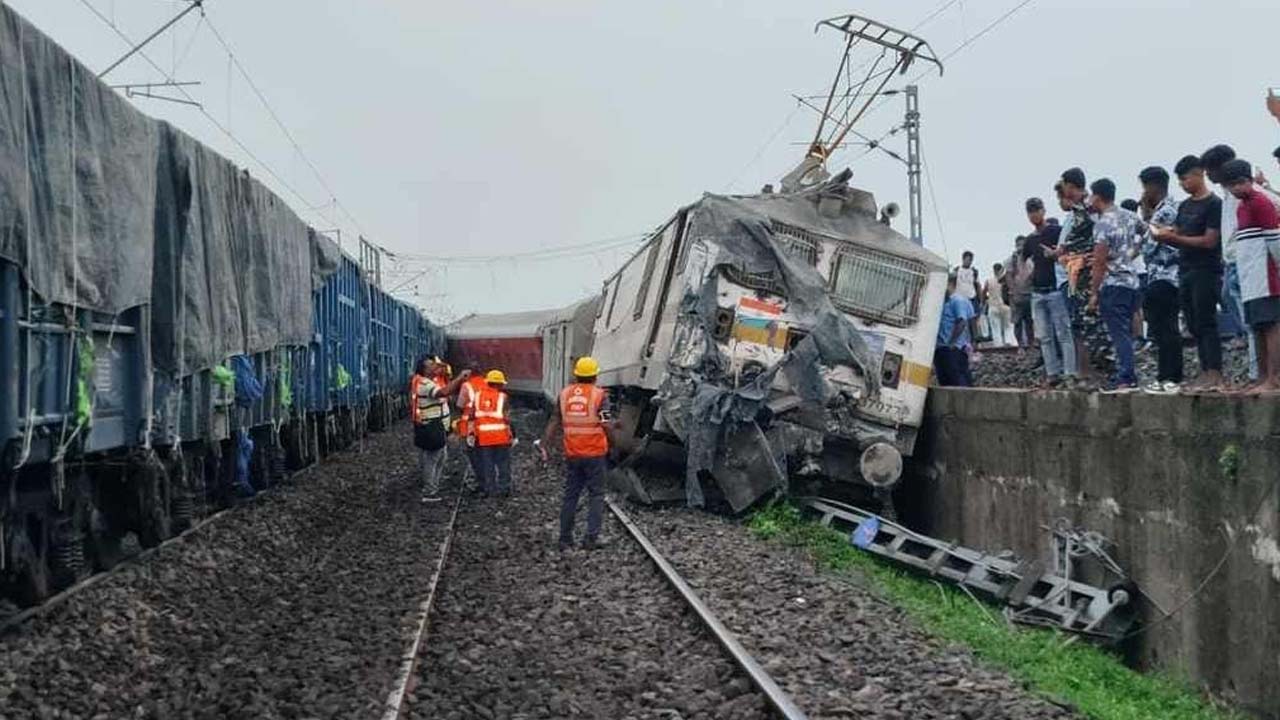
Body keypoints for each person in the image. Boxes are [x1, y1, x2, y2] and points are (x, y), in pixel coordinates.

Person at [1151, 156, 1225, 391]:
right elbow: (1181, 231)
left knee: (1206, 321)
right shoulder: (1184, 206)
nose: (1183, 184)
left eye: (1185, 179)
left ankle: (1214, 373)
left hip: (1206, 269)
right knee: (1192, 324)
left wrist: (1174, 238)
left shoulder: (1214, 204)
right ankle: (1204, 372)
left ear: (1199, 174)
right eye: (1179, 181)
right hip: (1185, 270)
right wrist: (1166, 234)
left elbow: (1209, 241)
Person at [540, 356, 612, 551]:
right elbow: (606, 423)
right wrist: (613, 442)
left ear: (576, 375)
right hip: (595, 453)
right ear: (595, 375)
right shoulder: (600, 396)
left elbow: (554, 420)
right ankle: (591, 539)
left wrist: (545, 444)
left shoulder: (564, 394)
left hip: (573, 453)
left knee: (571, 496)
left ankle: (565, 539)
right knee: (596, 495)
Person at [1221, 159, 1280, 394]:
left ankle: (1274, 377)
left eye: (1239, 184)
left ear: (1247, 181)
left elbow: (1275, 241)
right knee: (1257, 326)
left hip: (1266, 276)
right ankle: (1262, 376)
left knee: (1271, 326)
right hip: (1249, 277)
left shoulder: (1261, 202)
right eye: (1231, 186)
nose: (1235, 189)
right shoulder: (1242, 206)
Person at [1086, 178, 1143, 391]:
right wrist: (1130, 253)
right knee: (1127, 331)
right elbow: (1146, 232)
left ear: (1097, 197)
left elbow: (1099, 261)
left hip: (1113, 284)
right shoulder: (1128, 216)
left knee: (1118, 333)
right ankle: (1127, 373)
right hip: (1132, 281)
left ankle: (1126, 376)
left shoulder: (1102, 223)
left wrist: (1093, 293)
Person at [1135, 165, 1183, 393]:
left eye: (1145, 187)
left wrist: (1146, 217)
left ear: (1153, 186)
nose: (1144, 193)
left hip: (1166, 276)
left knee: (1166, 329)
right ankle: (1167, 376)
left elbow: (1149, 247)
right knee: (1162, 328)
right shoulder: (1163, 211)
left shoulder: (1165, 212)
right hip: (1162, 276)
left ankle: (1171, 376)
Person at [1058, 168, 1108, 379]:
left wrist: (1094, 257)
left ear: (1071, 186)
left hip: (1089, 275)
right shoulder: (1078, 211)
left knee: (1091, 324)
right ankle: (1085, 372)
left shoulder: (1090, 209)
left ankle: (1094, 373)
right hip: (1076, 276)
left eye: (1065, 186)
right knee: (1079, 323)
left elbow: (1103, 238)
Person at [1021, 197, 1074, 385]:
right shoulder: (1030, 240)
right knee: (1044, 336)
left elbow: (1068, 250)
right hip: (1038, 292)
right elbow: (1024, 260)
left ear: (1043, 210)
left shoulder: (1056, 232)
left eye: (1036, 209)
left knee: (1063, 333)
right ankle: (1052, 373)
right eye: (1030, 211)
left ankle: (1069, 372)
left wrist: (1055, 256)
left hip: (1056, 289)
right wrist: (1025, 274)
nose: (1034, 214)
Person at [410, 358, 471, 503]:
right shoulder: (424, 384)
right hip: (431, 425)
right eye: (431, 365)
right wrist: (460, 378)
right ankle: (429, 491)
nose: (435, 367)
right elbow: (443, 392)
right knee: (433, 458)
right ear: (424, 370)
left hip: (433, 425)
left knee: (440, 456)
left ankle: (433, 486)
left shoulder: (426, 381)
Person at [470, 370, 514, 496]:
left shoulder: (477, 396)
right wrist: (511, 433)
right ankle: (504, 488)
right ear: (500, 384)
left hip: (483, 438)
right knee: (503, 463)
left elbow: (472, 415)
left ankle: (490, 489)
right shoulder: (503, 397)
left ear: (488, 382)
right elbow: (507, 418)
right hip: (501, 437)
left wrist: (472, 432)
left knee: (487, 464)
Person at [934, 274, 975, 386]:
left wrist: (951, 342)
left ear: (950, 283)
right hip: (943, 347)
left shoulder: (957, 301)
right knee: (946, 380)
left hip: (953, 349)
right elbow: (972, 321)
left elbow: (962, 322)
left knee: (956, 380)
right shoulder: (945, 302)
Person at [454, 367, 489, 492]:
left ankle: (482, 483)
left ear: (469, 374)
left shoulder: (466, 386)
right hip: (487, 425)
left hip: (471, 427)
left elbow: (460, 405)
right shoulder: (488, 383)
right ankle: (490, 480)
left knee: (475, 455)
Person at [1007, 236, 1035, 347]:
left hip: (1030, 293)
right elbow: (1008, 277)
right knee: (1017, 322)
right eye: (1019, 244)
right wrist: (1014, 293)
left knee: (1029, 321)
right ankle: (1020, 346)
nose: (1021, 247)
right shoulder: (1011, 260)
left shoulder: (1031, 258)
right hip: (1017, 295)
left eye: (1024, 244)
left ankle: (1031, 344)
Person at [954, 251, 982, 340]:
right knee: (960, 320)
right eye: (968, 259)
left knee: (972, 321)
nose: (969, 262)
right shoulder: (957, 270)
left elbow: (978, 286)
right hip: (960, 299)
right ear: (963, 259)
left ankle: (974, 341)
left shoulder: (974, 272)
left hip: (971, 298)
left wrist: (981, 300)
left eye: (971, 260)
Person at [984, 263, 1013, 346]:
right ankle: (1009, 342)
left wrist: (985, 300)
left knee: (995, 328)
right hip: (1006, 306)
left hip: (993, 307)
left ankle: (998, 344)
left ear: (994, 270)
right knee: (1008, 326)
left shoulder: (989, 281)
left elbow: (984, 292)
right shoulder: (1007, 280)